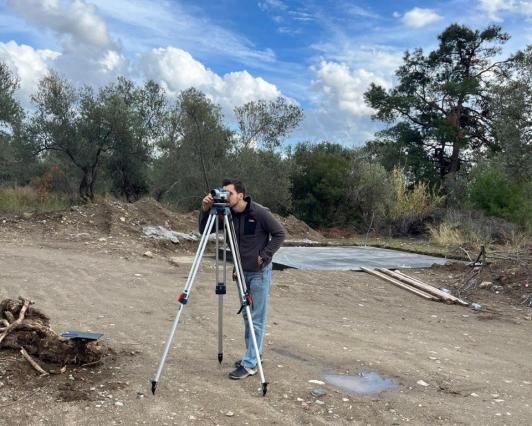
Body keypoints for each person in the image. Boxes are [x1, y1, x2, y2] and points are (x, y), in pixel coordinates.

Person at [199, 178, 286, 380]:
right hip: (240, 272)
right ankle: (254, 354)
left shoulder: (259, 212)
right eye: (223, 192)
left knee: (256, 319)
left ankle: (249, 364)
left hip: (259, 273)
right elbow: (204, 231)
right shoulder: (227, 215)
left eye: (229, 193)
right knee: (247, 317)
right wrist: (205, 210)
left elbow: (280, 234)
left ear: (240, 195)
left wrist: (264, 256)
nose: (225, 196)